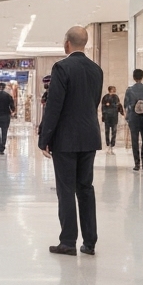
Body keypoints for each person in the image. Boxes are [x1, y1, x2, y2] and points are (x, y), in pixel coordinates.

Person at [39, 26, 103, 257]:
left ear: (67, 44)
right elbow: (94, 102)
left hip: (66, 138)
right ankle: (90, 241)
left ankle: (67, 241)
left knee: (66, 189)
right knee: (85, 188)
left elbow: (54, 106)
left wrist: (45, 138)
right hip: (89, 136)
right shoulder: (96, 69)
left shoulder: (62, 67)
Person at [124, 68, 143, 172]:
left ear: (133, 77)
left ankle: (137, 164)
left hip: (133, 118)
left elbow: (126, 105)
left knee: (134, 140)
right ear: (142, 76)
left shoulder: (129, 90)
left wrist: (127, 118)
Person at [100, 86, 122, 154]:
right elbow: (103, 107)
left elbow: (118, 105)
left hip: (114, 116)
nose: (114, 90)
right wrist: (103, 115)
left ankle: (112, 145)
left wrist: (122, 112)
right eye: (113, 89)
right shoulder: (105, 97)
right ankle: (108, 145)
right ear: (110, 90)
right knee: (107, 131)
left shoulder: (116, 97)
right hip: (107, 117)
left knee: (114, 131)